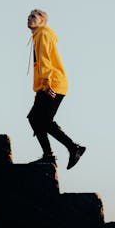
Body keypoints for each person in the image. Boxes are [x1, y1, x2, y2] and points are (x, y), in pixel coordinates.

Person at [26, 9, 86, 169]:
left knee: (43, 120)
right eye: (28, 16)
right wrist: (39, 89)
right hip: (48, 84)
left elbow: (45, 60)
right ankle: (51, 154)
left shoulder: (43, 34)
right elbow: (40, 65)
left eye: (33, 17)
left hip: (53, 83)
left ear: (42, 21)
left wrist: (46, 84)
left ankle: (73, 148)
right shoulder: (38, 36)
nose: (29, 19)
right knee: (35, 118)